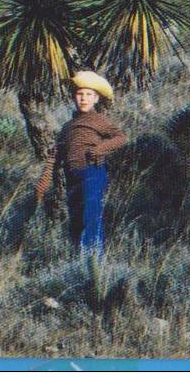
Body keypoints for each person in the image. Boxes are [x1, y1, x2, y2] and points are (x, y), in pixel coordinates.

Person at [34, 71, 127, 252]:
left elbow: (120, 138)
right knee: (76, 219)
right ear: (73, 97)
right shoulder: (67, 127)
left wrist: (99, 149)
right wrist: (43, 183)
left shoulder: (99, 120)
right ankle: (78, 260)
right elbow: (55, 155)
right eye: (80, 94)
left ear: (96, 99)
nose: (84, 99)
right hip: (71, 176)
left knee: (90, 215)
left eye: (89, 95)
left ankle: (94, 262)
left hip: (92, 171)